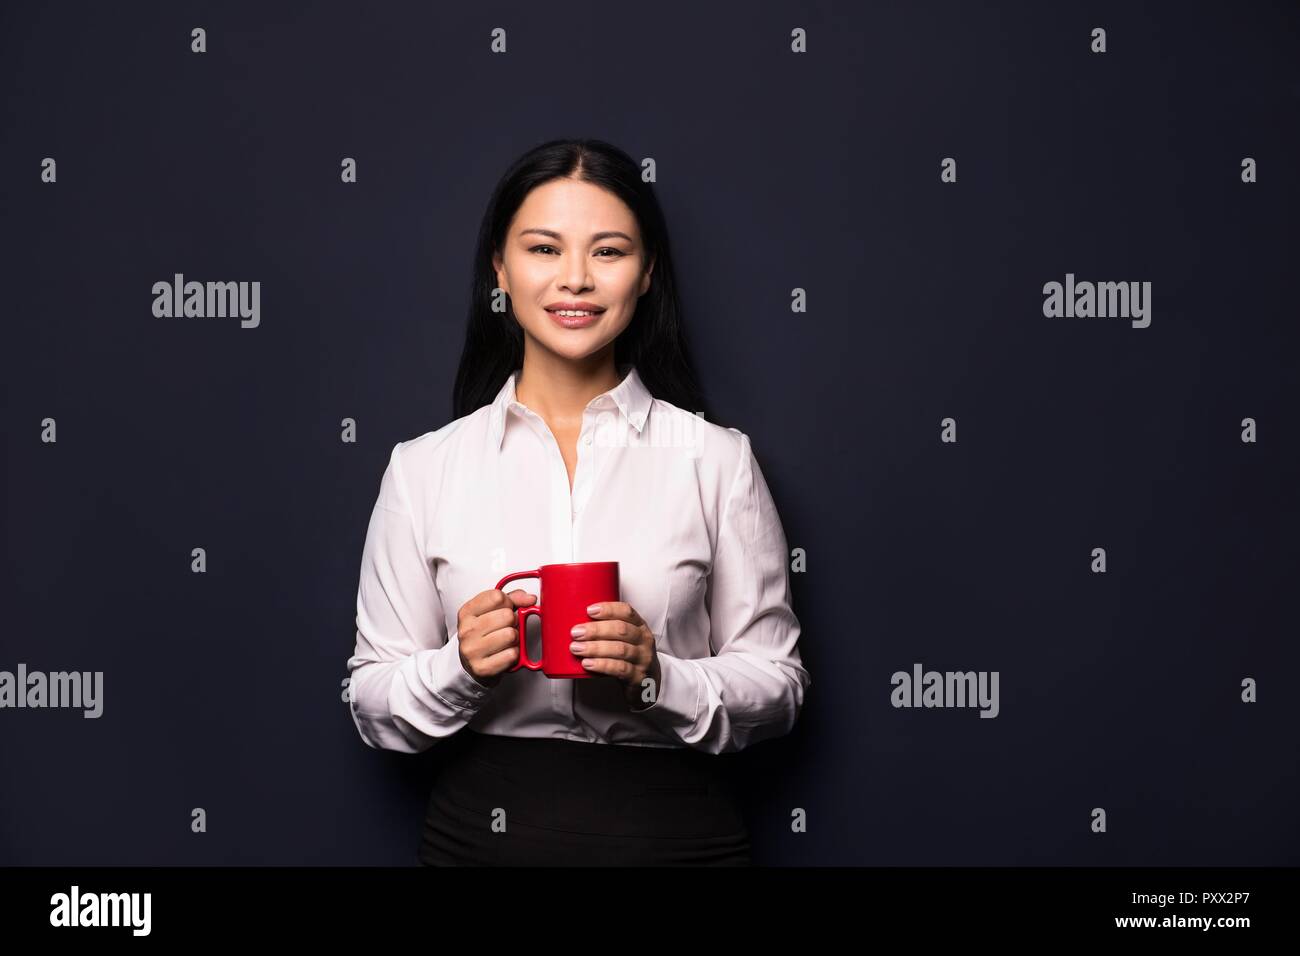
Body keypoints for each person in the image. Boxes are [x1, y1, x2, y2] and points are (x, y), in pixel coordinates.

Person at [345, 138, 811, 866]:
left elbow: (779, 686)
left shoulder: (717, 460)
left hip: (679, 839)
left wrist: (660, 675)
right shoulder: (424, 468)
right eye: (543, 249)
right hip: (481, 839)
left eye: (608, 251)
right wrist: (459, 668)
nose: (574, 280)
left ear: (648, 271)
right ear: (500, 269)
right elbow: (372, 702)